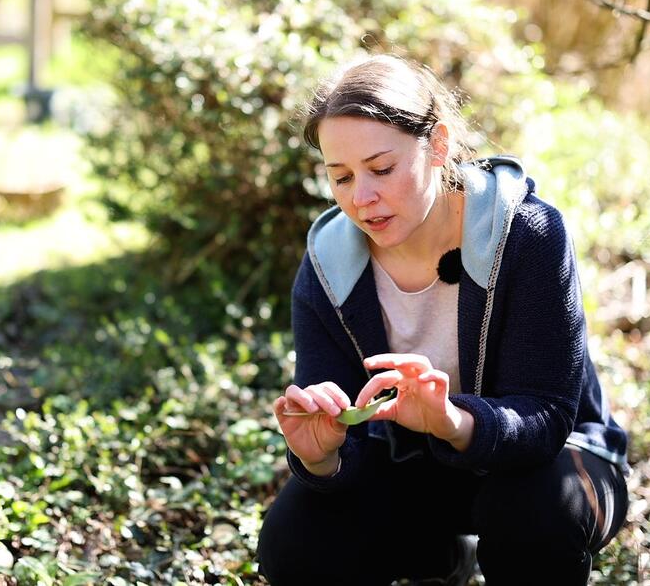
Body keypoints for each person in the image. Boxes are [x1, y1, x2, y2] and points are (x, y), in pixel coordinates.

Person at [256, 54, 629, 586]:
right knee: (293, 544)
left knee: (531, 513)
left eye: (382, 169)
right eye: (340, 177)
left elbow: (546, 417)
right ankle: (437, 559)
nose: (361, 199)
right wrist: (323, 457)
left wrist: (449, 420)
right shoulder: (327, 264)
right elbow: (345, 439)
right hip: (412, 468)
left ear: (437, 145)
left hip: (553, 464)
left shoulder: (526, 234)